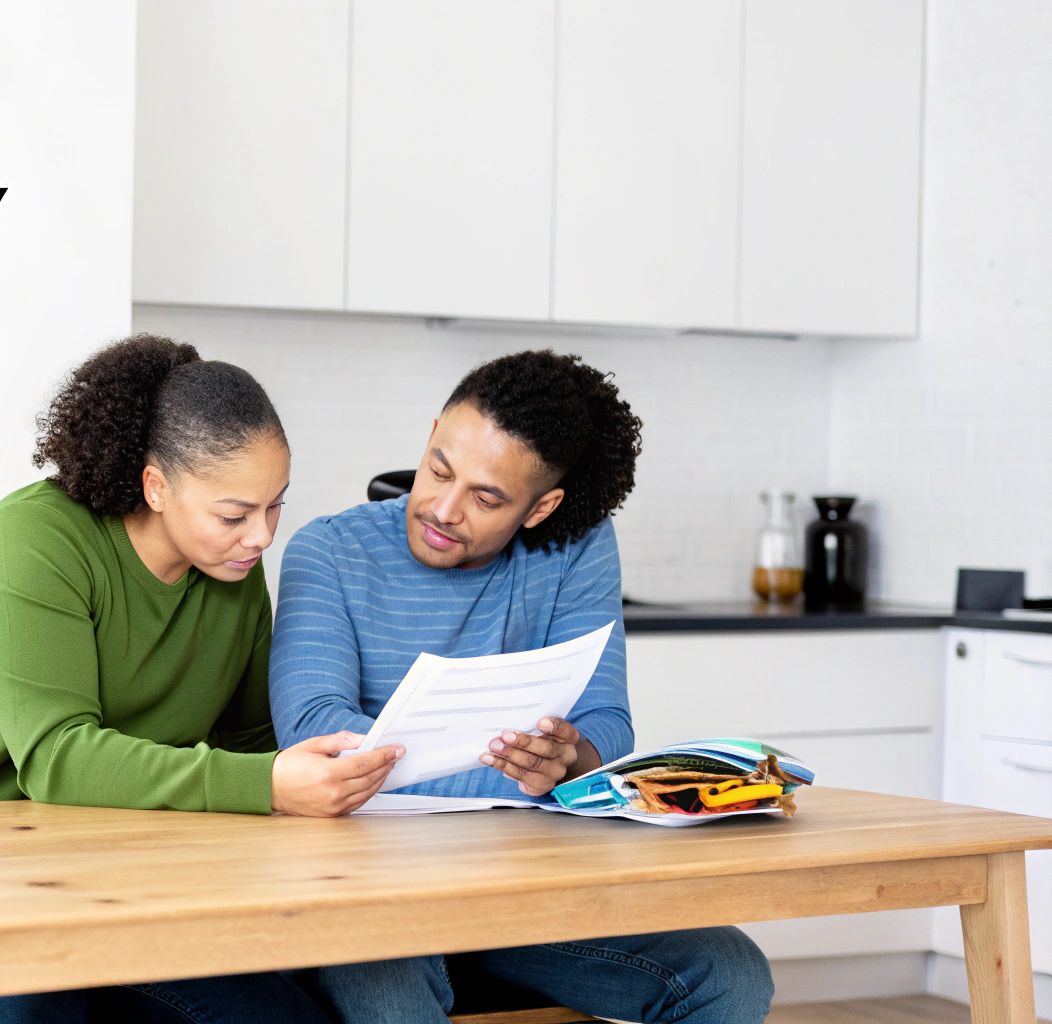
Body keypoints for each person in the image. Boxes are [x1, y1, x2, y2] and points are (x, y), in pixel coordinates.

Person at [0, 334, 406, 1024]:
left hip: (115, 889)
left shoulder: (230, 568)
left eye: (275, 507)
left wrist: (316, 777)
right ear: (156, 485)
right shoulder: (33, 540)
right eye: (235, 514)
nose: (262, 536)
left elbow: (249, 741)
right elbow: (58, 759)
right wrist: (268, 784)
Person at [269, 350, 775, 1023]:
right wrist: (532, 786)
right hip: (372, 890)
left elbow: (606, 725)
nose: (444, 509)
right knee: (389, 997)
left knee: (730, 976)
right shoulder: (329, 551)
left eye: (486, 497)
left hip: (526, 888)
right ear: (428, 438)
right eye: (438, 469)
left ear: (541, 508)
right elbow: (312, 733)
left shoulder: (572, 549)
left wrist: (573, 761)